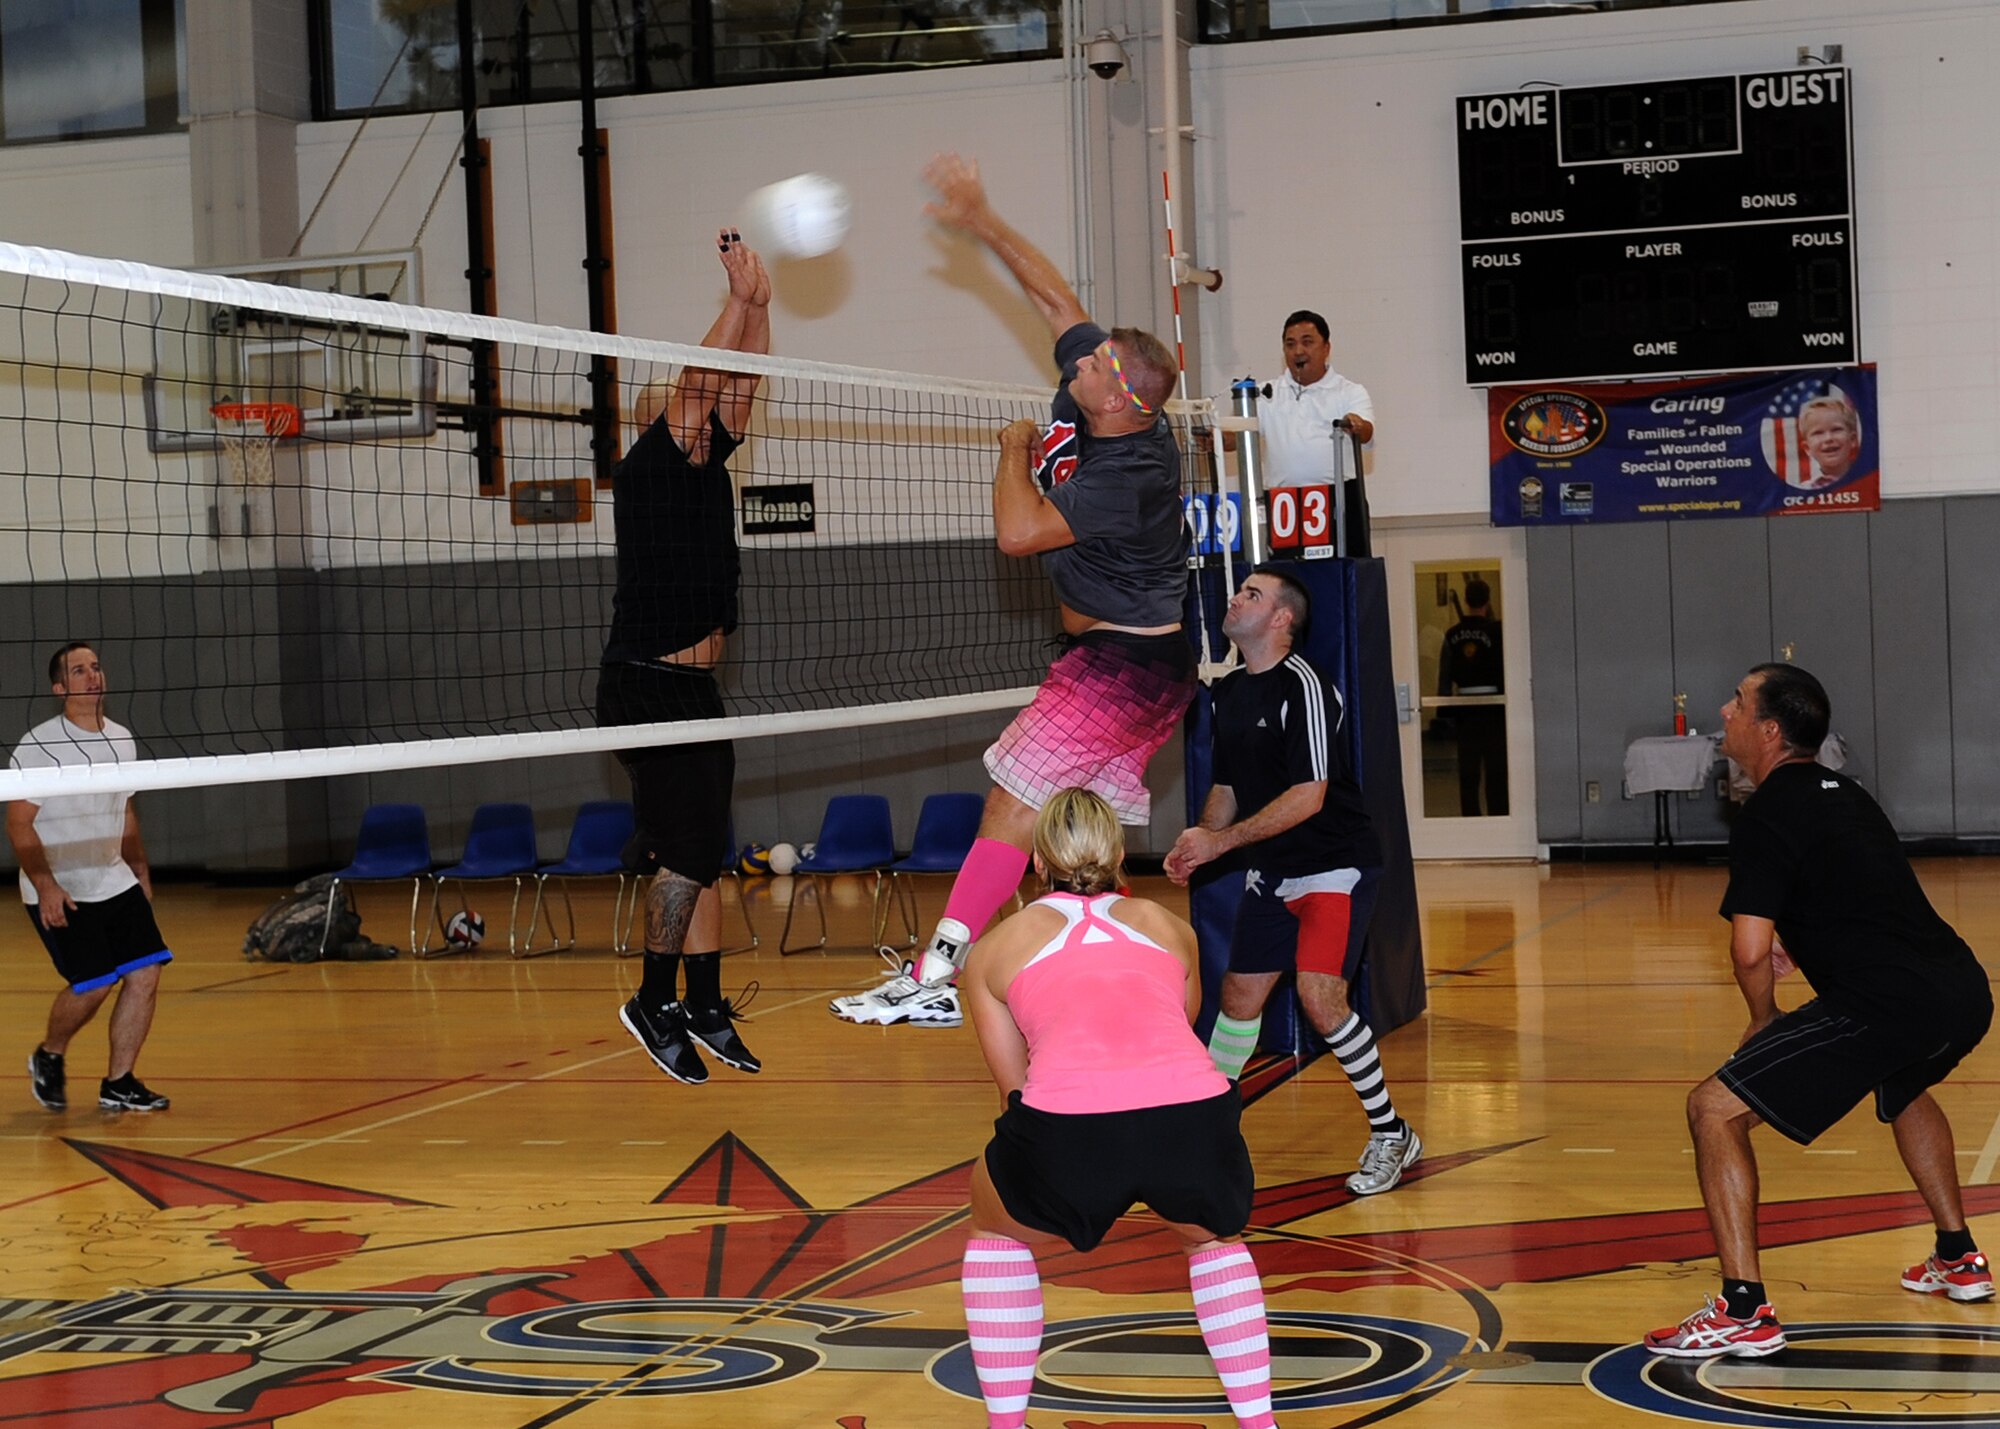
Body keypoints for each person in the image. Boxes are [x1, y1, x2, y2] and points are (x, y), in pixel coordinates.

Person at [831, 152, 1194, 1029]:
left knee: (1011, 805)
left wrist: (1011, 451)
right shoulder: (1102, 398)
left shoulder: (1131, 469)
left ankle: (936, 974)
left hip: (1122, 665)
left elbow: (1018, 534)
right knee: (1080, 836)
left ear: (1125, 396)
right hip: (1139, 662)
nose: (1080, 357)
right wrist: (982, 219)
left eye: (1097, 362)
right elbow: (1056, 299)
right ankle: (1124, 972)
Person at [1646, 664, 1993, 1359]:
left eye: (1739, 701)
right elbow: (1856, 894)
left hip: (1884, 1002)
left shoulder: (1766, 813)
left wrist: (1763, 1015)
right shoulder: (1848, 793)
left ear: (1769, 730)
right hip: (1961, 988)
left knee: (1713, 1110)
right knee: (1902, 1082)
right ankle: (1958, 1256)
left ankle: (1743, 1309)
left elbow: (1747, 950)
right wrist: (1796, 940)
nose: (1726, 711)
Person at [960, 788, 1278, 1429]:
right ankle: (1259, 1422)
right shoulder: (1169, 926)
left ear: (1038, 862)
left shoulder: (993, 949)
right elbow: (1179, 1031)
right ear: (1119, 853)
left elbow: (1013, 1092)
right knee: (1212, 1240)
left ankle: (1005, 1425)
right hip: (1192, 1119)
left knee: (993, 1226)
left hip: (1069, 1130)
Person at [1165, 566, 1420, 1195]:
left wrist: (1222, 843)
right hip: (1272, 870)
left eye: (1251, 594)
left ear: (1282, 619)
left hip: (1334, 863)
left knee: (1320, 997)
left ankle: (1392, 1134)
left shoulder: (1304, 685)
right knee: (1237, 999)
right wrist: (1200, 841)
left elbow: (1310, 795)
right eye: (1239, 590)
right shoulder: (1228, 691)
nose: (1235, 598)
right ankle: (1208, 1132)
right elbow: (1227, 787)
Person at [606, 230, 770, 1087]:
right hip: (646, 683)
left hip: (695, 688)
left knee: (708, 851)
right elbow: (702, 384)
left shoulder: (708, 467)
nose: (707, 426)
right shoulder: (650, 470)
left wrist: (762, 307)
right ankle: (652, 998)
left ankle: (703, 1004)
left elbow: (741, 385)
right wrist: (735, 302)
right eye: (691, 420)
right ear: (665, 426)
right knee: (683, 852)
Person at [9, 642, 171, 1113]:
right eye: (79, 670)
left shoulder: (121, 738)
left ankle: (119, 1081)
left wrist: (138, 867)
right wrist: (46, 886)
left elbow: (124, 810)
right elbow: (18, 825)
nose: (92, 675)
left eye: (96, 667)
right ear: (60, 688)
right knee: (96, 982)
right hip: (59, 883)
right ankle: (50, 1053)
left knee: (146, 972)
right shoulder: (39, 746)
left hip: (112, 878)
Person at [1257, 310, 1376, 556]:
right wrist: (1215, 438)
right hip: (1284, 505)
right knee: (1284, 575)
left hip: (1339, 501)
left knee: (1345, 573)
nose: (1298, 351)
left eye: (1307, 342)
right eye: (1290, 344)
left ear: (1326, 348)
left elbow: (1366, 431)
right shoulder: (1265, 393)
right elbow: (1236, 437)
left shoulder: (1349, 391)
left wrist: (1357, 425)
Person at [1437, 577, 1507, 817]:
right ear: (1487, 601)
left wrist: (1444, 713)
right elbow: (1504, 668)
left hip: (1465, 709)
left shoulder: (1452, 634)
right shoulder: (1497, 631)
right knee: (1496, 768)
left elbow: (1445, 675)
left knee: (1468, 770)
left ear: (1466, 601)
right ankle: (1499, 815)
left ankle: (1471, 817)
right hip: (1494, 707)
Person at [1795, 394, 1862, 488]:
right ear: (1807, 448)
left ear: (1852, 439)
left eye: (1836, 429)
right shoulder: (1802, 491)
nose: (1828, 438)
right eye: (1818, 433)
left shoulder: (1868, 481)